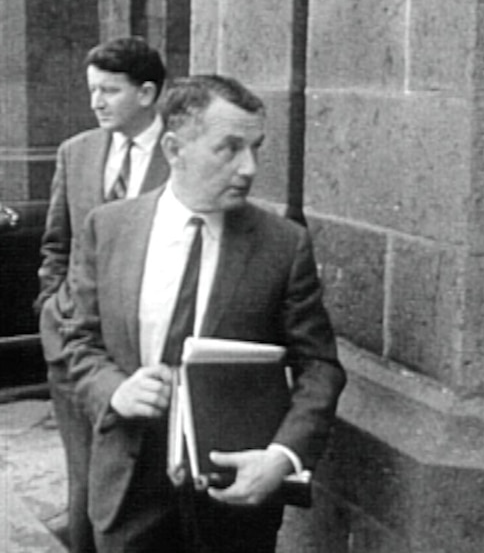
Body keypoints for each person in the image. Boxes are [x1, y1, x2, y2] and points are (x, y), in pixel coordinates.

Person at [64, 74, 347, 553]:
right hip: (129, 488)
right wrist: (115, 389)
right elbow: (77, 340)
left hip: (236, 496)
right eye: (230, 148)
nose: (249, 167)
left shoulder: (282, 245)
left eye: (256, 148)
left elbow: (319, 367)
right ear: (174, 150)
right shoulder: (109, 229)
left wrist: (281, 457)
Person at [35, 36, 169, 553]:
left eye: (110, 90)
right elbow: (56, 246)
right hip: (76, 351)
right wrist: (53, 311)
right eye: (92, 89)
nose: (96, 102)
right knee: (85, 486)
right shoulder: (77, 152)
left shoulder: (179, 151)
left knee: (137, 497)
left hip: (146, 358)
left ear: (147, 93)